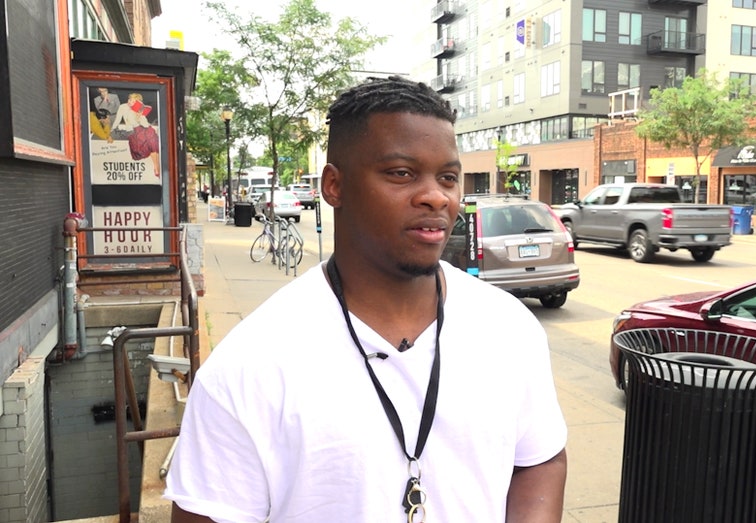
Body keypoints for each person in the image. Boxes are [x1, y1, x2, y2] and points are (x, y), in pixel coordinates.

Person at [164, 76, 568, 522]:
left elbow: (540, 460)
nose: (436, 196)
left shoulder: (509, 328)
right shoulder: (248, 366)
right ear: (334, 186)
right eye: (401, 173)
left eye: (448, 177)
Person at [111, 92, 160, 177]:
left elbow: (145, 124)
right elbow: (118, 119)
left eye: (133, 101)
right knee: (150, 137)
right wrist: (112, 129)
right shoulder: (123, 107)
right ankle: (156, 167)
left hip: (143, 129)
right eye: (130, 99)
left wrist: (140, 116)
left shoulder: (139, 110)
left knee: (151, 135)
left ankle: (156, 167)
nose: (130, 102)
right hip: (132, 131)